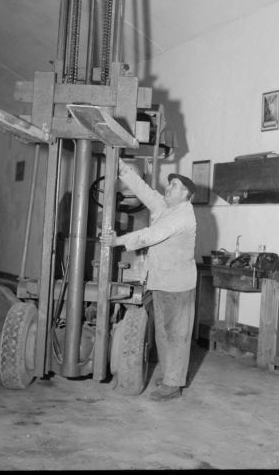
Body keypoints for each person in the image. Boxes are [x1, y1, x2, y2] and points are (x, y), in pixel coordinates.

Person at [100, 157, 197, 401]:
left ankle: (173, 385)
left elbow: (151, 235)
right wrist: (122, 169)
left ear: (185, 194)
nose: (169, 188)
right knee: (163, 333)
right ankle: (169, 376)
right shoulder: (167, 207)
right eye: (170, 184)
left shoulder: (183, 215)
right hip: (161, 281)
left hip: (177, 285)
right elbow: (145, 191)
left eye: (174, 186)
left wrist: (118, 241)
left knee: (176, 335)